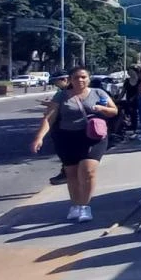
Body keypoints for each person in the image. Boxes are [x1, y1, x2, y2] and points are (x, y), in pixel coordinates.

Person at [29, 67, 118, 223]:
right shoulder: (61, 96)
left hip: (93, 136)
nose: (80, 80)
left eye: (84, 77)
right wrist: (39, 137)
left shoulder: (99, 93)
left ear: (88, 79)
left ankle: (85, 206)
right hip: (67, 137)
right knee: (72, 173)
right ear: (70, 79)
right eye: (76, 77)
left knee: (88, 171)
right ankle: (76, 205)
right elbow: (49, 119)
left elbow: (114, 111)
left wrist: (102, 108)